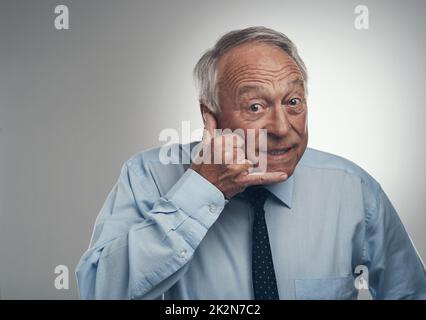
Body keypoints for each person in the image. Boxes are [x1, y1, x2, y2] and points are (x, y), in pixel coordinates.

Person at [75, 26, 426, 299]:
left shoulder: (354, 188)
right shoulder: (148, 175)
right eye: (256, 107)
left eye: (293, 102)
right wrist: (200, 189)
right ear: (210, 115)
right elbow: (101, 291)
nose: (281, 128)